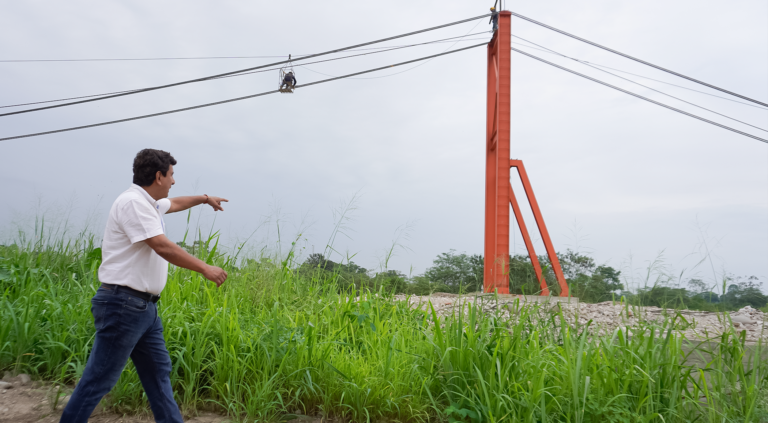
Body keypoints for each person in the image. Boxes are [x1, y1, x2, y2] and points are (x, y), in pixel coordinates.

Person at [59, 149, 229, 423]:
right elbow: (161, 245)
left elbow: (174, 203)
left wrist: (204, 199)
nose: (173, 181)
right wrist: (205, 268)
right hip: (124, 304)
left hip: (143, 309)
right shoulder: (133, 203)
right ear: (159, 175)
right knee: (98, 380)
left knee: (158, 373)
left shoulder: (148, 204)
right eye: (171, 175)